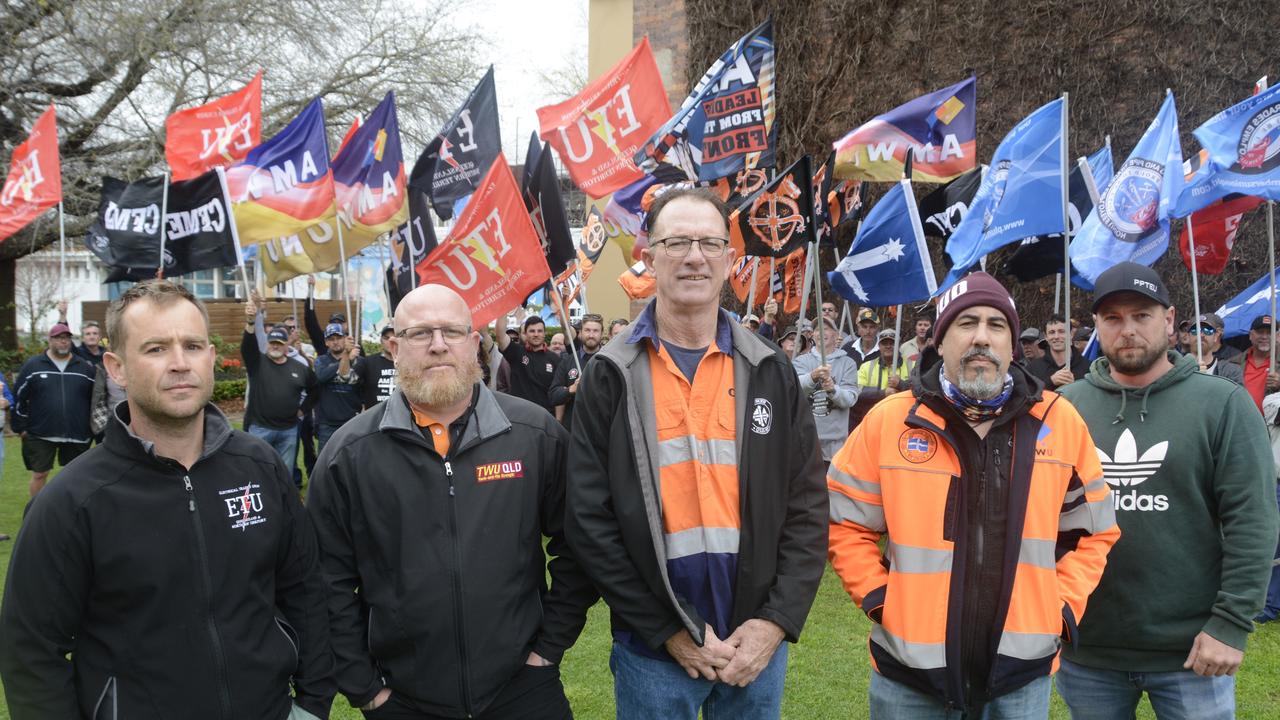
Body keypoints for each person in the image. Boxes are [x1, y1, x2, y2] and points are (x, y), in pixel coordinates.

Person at [0, 279, 335, 720]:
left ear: (211, 358)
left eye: (193, 346)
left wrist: (311, 705)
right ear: (116, 368)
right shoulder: (73, 500)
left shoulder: (262, 467)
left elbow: (305, 590)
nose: (180, 363)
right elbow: (31, 652)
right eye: (156, 349)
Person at [566, 187, 828, 719]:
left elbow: (806, 508)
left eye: (709, 243)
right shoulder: (609, 376)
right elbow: (589, 522)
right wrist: (668, 629)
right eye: (677, 242)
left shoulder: (771, 370)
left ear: (730, 261)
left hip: (755, 646)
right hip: (654, 654)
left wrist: (774, 621)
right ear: (649, 257)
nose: (693, 256)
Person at [827, 271, 1120, 718]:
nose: (981, 337)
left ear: (1013, 344)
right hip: (909, 674)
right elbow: (844, 522)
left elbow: (1093, 532)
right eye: (966, 324)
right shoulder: (890, 421)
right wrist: (881, 600)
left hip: (1020, 676)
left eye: (995, 325)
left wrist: (1057, 609)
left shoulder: (1061, 423)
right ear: (940, 342)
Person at [308, 283, 595, 719]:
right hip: (402, 699)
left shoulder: (533, 435)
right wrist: (365, 688)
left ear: (474, 344)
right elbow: (323, 580)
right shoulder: (348, 454)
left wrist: (549, 648)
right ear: (394, 348)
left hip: (523, 688)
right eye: (420, 333)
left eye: (452, 332)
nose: (438, 345)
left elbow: (581, 544)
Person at [1055, 262, 1278, 720]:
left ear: (1170, 320)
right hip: (1086, 647)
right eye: (1113, 318)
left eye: (1142, 315)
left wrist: (1230, 625)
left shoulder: (1222, 404)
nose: (1128, 329)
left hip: (1193, 650)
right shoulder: (1066, 408)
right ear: (1096, 326)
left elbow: (1252, 521)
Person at [11, 322, 97, 497]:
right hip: (41, 432)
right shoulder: (33, 365)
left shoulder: (84, 367)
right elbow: (19, 395)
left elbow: (95, 399)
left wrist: (92, 427)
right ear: (50, 340)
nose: (63, 342)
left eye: (66, 338)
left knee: (76, 477)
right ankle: (36, 514)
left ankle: (73, 515)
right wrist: (20, 426)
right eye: (58, 338)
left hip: (77, 433)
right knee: (39, 474)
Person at [241, 299, 317, 476]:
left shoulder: (300, 368)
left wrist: (302, 410)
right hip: (260, 429)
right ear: (267, 343)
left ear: (286, 346)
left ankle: (283, 503)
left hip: (289, 431)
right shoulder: (257, 363)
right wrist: (251, 322)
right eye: (272, 342)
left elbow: (315, 390)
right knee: (258, 473)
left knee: (284, 474)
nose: (275, 345)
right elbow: (247, 347)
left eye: (279, 343)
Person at [792, 315, 860, 464]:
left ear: (836, 335)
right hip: (805, 439)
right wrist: (812, 377)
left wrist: (833, 390)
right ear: (812, 335)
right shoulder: (800, 361)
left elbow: (850, 398)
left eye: (827, 329)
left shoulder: (848, 363)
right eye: (817, 329)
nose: (821, 333)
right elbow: (795, 389)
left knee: (831, 486)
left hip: (835, 444)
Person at [313, 322, 363, 451]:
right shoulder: (321, 361)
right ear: (326, 343)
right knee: (325, 466)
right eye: (331, 339)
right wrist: (347, 358)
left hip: (352, 422)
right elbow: (322, 376)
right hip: (327, 424)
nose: (335, 342)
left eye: (339, 338)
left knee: (352, 464)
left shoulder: (359, 361)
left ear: (345, 339)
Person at [496, 314, 559, 414]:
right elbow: (500, 335)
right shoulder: (517, 352)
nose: (536, 334)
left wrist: (558, 420)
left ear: (544, 333)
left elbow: (558, 391)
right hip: (521, 414)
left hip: (546, 416)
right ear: (525, 333)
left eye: (539, 331)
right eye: (532, 331)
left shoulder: (554, 359)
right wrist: (504, 307)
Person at [549, 313, 604, 427]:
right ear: (580, 333)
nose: (591, 335)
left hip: (601, 429)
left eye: (595, 331)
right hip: (573, 429)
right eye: (587, 330)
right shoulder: (568, 361)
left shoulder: (608, 361)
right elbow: (553, 396)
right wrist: (570, 390)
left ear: (602, 334)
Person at [1228, 314, 1280, 411]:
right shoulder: (1232, 363)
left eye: (1269, 333)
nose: (1264, 337)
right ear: (1250, 335)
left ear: (1277, 336)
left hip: (1272, 424)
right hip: (1239, 421)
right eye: (1260, 332)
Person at [1027, 315, 1089, 389]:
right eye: (1051, 332)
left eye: (1061, 331)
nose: (1056, 336)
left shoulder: (1088, 368)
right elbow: (1027, 396)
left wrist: (1075, 387)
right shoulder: (1033, 369)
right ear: (1046, 336)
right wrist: (1050, 382)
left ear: (1071, 334)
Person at [854, 330, 910, 404]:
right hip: (875, 413)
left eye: (892, 343)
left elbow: (919, 390)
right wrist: (882, 393)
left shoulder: (912, 365)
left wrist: (901, 384)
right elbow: (856, 391)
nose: (888, 346)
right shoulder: (866, 367)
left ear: (899, 345)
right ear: (879, 346)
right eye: (884, 343)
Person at [1188, 312, 1244, 384]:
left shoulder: (1231, 371)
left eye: (1208, 331)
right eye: (1195, 331)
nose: (1201, 335)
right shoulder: (1176, 368)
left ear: (1216, 336)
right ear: (1187, 336)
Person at [360, 325, 399, 410]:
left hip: (400, 416)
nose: (390, 341)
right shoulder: (368, 362)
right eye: (386, 338)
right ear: (381, 341)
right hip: (375, 417)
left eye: (394, 337)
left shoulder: (407, 362)